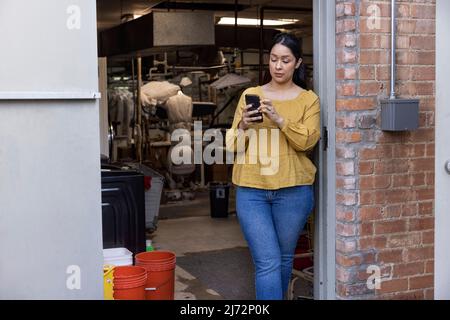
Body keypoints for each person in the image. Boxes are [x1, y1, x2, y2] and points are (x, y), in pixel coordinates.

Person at [225, 33, 321, 300]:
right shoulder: (250, 95)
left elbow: (308, 143)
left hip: (294, 191)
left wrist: (279, 119)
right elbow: (232, 144)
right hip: (251, 191)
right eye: (274, 59)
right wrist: (243, 124)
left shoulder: (308, 100)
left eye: (286, 60)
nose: (278, 66)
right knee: (268, 261)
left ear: (297, 63)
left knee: (283, 260)